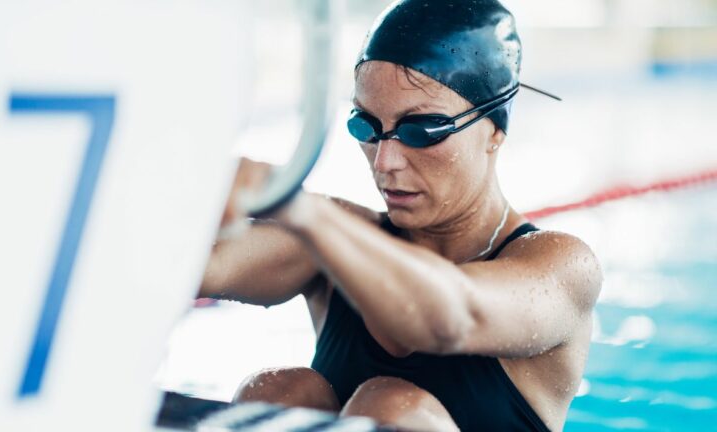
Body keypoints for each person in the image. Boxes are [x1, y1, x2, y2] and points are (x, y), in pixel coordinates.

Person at [199, 0, 602, 430]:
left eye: (421, 129)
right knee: (279, 393)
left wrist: (302, 210)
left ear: (495, 129)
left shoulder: (561, 267)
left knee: (390, 406)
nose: (385, 161)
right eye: (366, 126)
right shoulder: (338, 237)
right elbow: (199, 264)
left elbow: (451, 317)